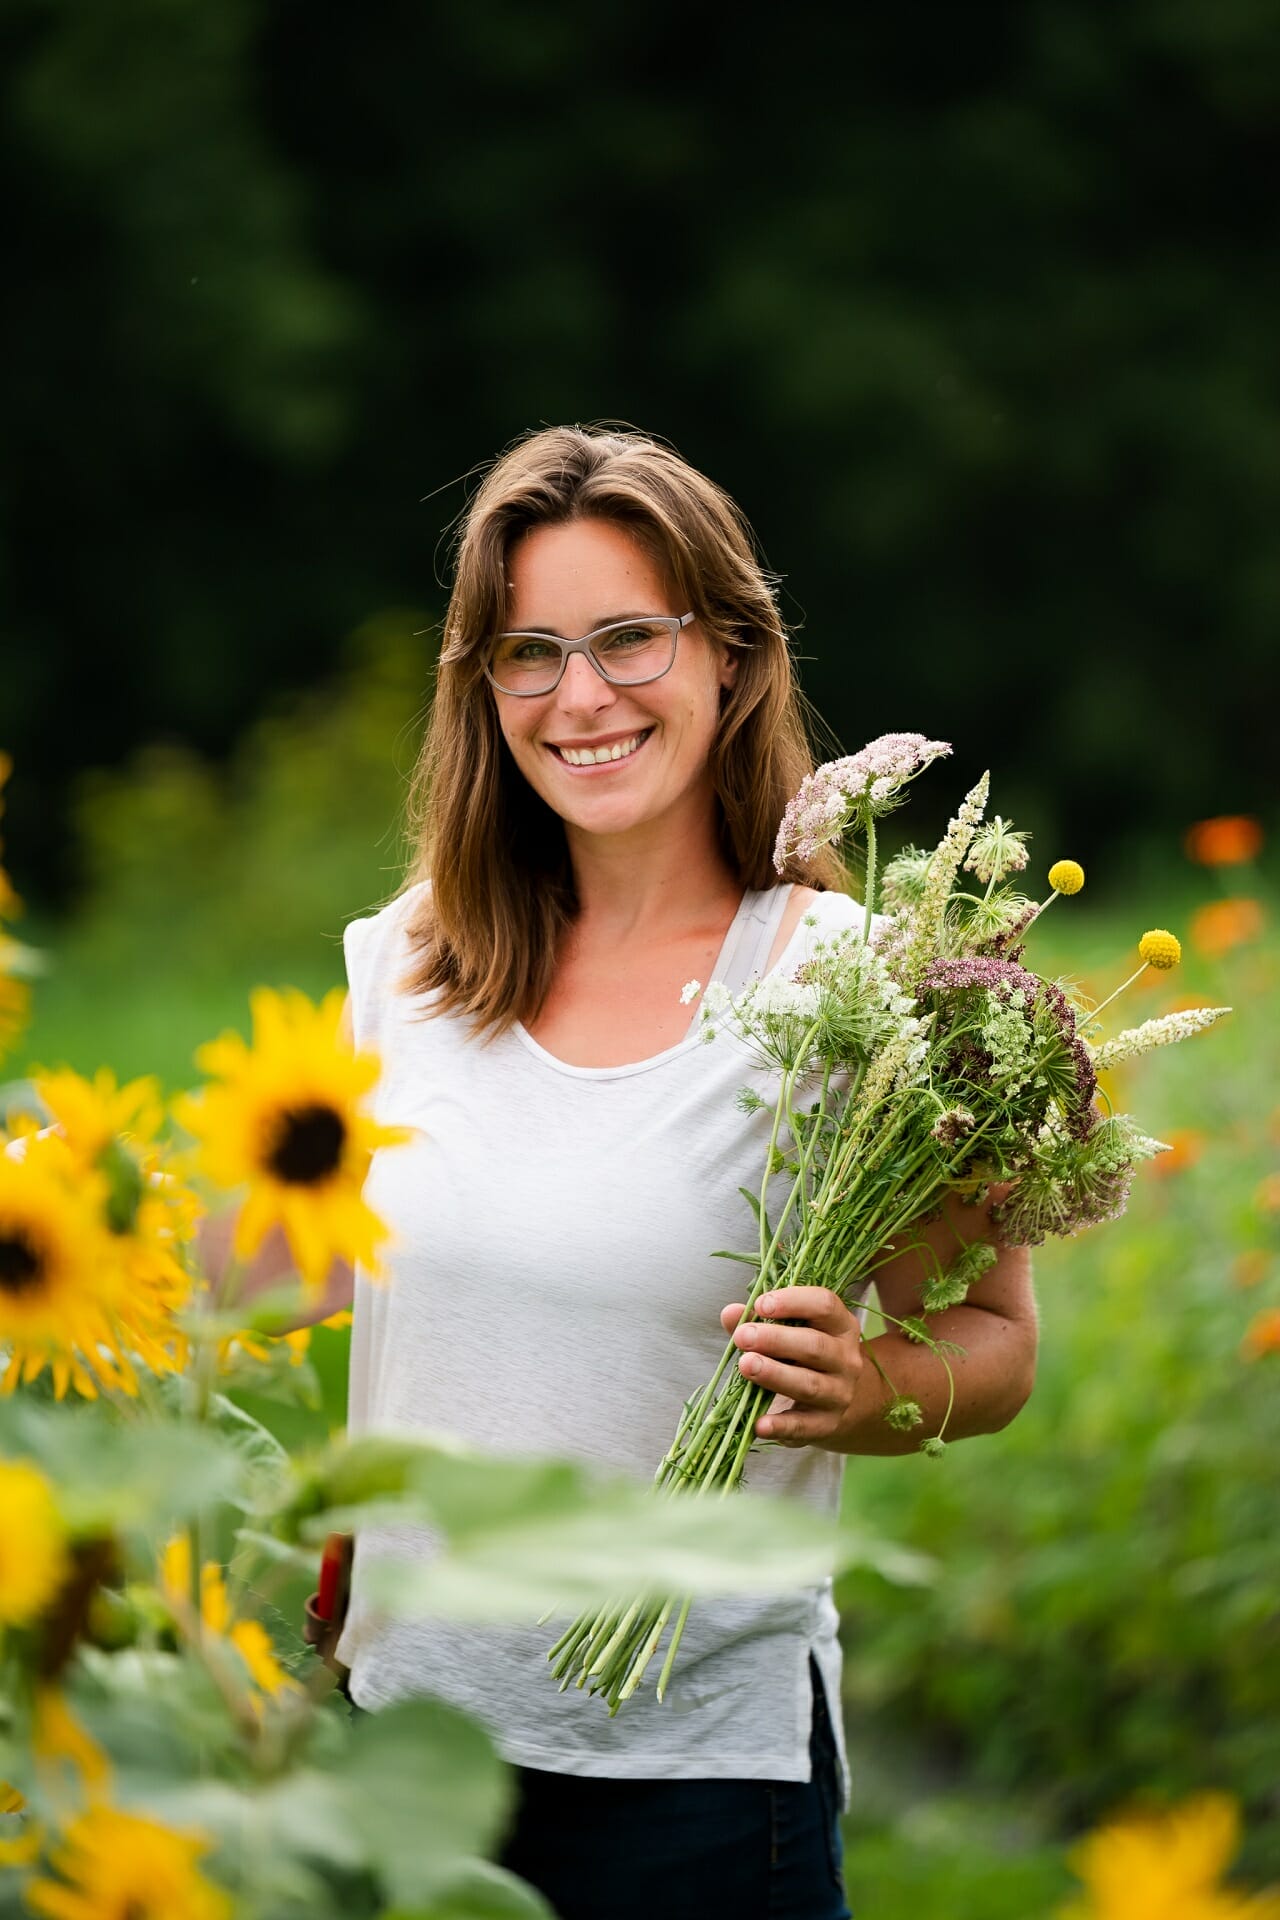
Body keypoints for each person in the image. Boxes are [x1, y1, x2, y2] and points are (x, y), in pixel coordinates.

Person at [211, 424, 1037, 1920]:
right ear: (483, 689)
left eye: (627, 639)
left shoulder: (858, 992)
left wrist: (870, 1389)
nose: (579, 696)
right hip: (407, 1761)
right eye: (529, 653)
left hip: (702, 1790)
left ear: (731, 652)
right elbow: (287, 1266)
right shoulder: (410, 962)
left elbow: (995, 1342)